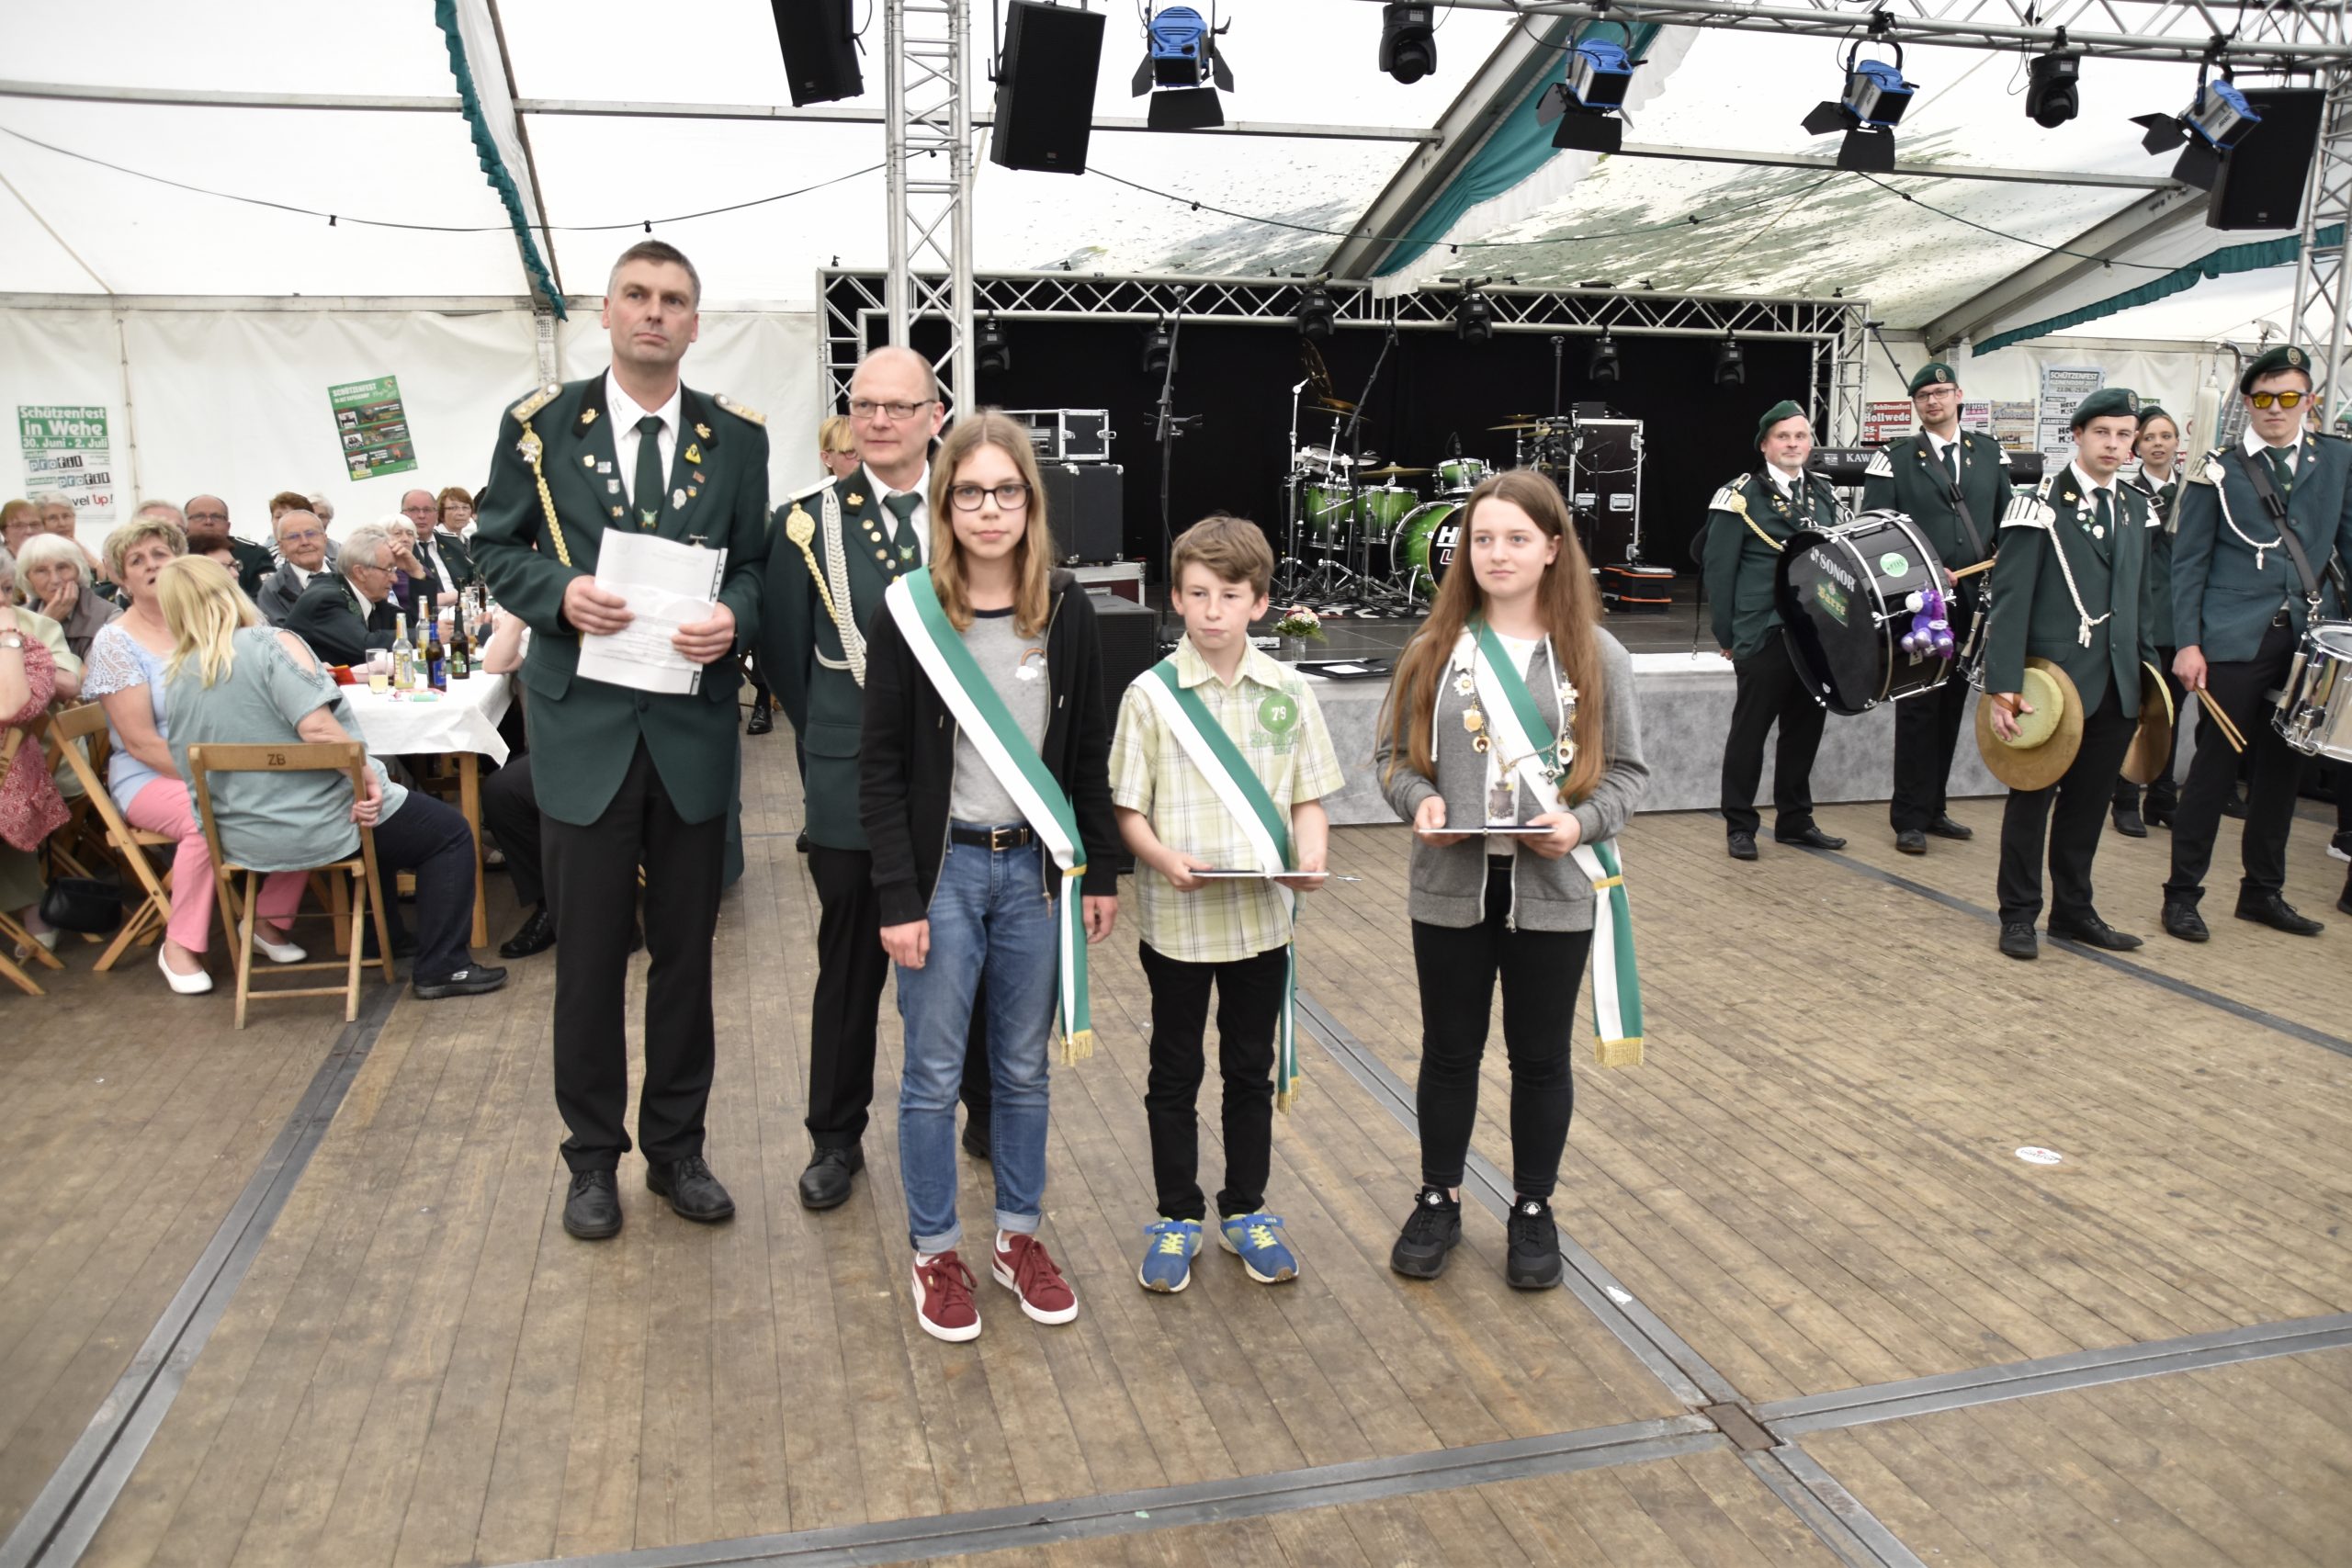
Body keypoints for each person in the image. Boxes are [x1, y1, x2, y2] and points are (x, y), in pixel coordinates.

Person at [473, 239, 767, 1242]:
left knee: (686, 960)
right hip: (585, 733)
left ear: (695, 323)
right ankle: (591, 1160)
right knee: (590, 961)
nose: (653, 312)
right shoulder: (540, 428)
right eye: (636, 295)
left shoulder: (736, 440)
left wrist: (734, 615)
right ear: (603, 312)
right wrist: (557, 594)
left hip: (689, 733)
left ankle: (677, 1152)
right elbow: (493, 545)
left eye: (673, 299)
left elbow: (756, 566)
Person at [859, 410, 1119, 1342]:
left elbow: (1086, 754)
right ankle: (936, 1251)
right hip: (944, 874)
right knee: (932, 1076)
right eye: (968, 492)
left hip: (1035, 879)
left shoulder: (1069, 610)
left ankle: (1017, 1238)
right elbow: (880, 768)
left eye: (1006, 490)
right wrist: (896, 895)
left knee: (1021, 1070)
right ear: (945, 505)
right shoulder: (908, 612)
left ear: (1030, 502)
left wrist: (1100, 870)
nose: (988, 508)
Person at [1374, 468, 1648, 1289]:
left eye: (1517, 538)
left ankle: (1533, 1207)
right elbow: (1393, 761)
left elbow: (1627, 774)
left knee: (1540, 1058)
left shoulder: (1597, 655)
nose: (1498, 553)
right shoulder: (1433, 649)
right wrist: (1420, 803)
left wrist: (1580, 825)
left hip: (1555, 890)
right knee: (1448, 1051)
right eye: (1483, 538)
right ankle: (1439, 1196)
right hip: (1451, 883)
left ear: (1553, 548)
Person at [759, 346, 996, 1212]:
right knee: (851, 964)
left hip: (969, 777)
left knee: (974, 952)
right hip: (851, 780)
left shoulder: (975, 509)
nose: (880, 420)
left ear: (937, 416)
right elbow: (786, 657)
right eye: (865, 404)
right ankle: (834, 1136)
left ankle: (986, 1109)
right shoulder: (804, 524)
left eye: (900, 406)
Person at [1111, 514, 1341, 1293]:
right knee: (1174, 1070)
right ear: (1174, 598)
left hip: (1262, 923)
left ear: (1261, 602)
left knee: (1249, 1069)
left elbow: (1308, 797)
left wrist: (1312, 855)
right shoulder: (1150, 696)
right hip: (1178, 922)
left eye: (1231, 595)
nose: (1213, 610)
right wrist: (1159, 857)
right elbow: (1127, 810)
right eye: (1199, 593)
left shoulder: (1290, 692)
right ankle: (1176, 1214)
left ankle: (1246, 1207)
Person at [155, 556, 504, 999]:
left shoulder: (178, 672)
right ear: (229, 591)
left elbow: (185, 762)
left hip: (241, 835)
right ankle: (444, 966)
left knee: (389, 824)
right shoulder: (270, 643)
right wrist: (368, 776)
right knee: (448, 832)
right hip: (317, 824)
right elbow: (318, 730)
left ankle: (383, 937)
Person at [2162, 344, 2352, 942]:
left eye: (2289, 396)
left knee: (2283, 770)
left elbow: (2348, 547)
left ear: (2309, 401)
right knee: (2214, 769)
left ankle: (2262, 891)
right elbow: (2188, 563)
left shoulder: (2336, 459)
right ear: (2246, 403)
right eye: (2264, 397)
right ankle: (2182, 894)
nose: (2276, 408)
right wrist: (2188, 644)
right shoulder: (2216, 469)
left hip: (2308, 639)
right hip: (2233, 638)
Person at [81, 518, 311, 993]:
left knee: (310, 791)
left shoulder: (210, 620)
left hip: (230, 763)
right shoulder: (115, 641)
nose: (151, 565)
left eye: (160, 554)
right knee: (204, 816)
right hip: (151, 774)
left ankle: (267, 920)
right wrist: (214, 777)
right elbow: (141, 743)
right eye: (137, 560)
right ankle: (180, 945)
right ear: (122, 579)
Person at [1981, 388, 2159, 962]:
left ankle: (2074, 912)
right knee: (2031, 803)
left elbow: (2142, 602)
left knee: (2087, 807)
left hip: (2116, 683)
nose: (2113, 444)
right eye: (2102, 432)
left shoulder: (2135, 508)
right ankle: (2018, 914)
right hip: (2052, 687)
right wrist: (2002, 686)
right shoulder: (2037, 505)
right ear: (2077, 435)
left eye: (2124, 435)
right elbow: (2011, 602)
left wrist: (2149, 681)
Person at [1860, 362, 2011, 853]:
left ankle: (1935, 807)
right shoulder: (1894, 459)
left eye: (1941, 392)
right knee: (1918, 707)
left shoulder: (1989, 453)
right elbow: (1875, 532)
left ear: (1958, 395)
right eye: (1923, 395)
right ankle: (1908, 816)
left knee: (1951, 706)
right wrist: (1922, 568)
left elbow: (2006, 524)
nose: (1933, 401)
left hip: (1973, 601)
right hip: (1920, 603)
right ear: (1915, 404)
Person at [1703, 400, 1844, 861]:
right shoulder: (1739, 496)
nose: (1793, 444)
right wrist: (1728, 637)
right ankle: (1740, 824)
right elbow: (1718, 571)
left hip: (1814, 632)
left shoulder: (1824, 494)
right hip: (1764, 629)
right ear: (1764, 445)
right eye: (1783, 436)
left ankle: (1795, 820)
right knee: (1750, 732)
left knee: (1804, 728)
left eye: (1800, 436)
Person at [2112, 405, 2185, 837]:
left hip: (2184, 621)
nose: (2158, 444)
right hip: (2143, 619)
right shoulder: (2128, 495)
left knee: (2172, 713)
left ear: (2178, 442)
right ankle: (2124, 798)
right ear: (2136, 447)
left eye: (2166, 436)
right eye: (2150, 437)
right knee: (2139, 710)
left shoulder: (2195, 492)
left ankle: (2162, 796)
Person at [0, 592, 69, 955]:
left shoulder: (29, 650)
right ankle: (32, 914)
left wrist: (8, 636)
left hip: (10, 786)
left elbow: (12, 708)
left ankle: (32, 913)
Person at [285, 521, 402, 665]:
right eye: (389, 570)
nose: (395, 579)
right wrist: (424, 635)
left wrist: (416, 572)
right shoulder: (326, 600)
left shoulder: (373, 598)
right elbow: (367, 647)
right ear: (360, 572)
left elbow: (412, 623)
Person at [16, 533, 119, 662]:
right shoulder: (16, 618)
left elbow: (96, 672)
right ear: (28, 578)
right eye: (41, 570)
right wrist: (47, 622)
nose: (55, 579)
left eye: (62, 567)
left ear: (78, 570)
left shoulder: (108, 616)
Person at [0, 546, 82, 702]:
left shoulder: (39, 624)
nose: (2, 599)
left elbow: (70, 686)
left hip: (36, 716)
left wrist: (12, 653)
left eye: (7, 589)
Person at [254, 507, 337, 624]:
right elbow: (282, 633)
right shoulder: (272, 591)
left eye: (311, 534)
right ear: (281, 547)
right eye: (293, 537)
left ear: (324, 539)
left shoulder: (349, 577)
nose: (305, 542)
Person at [183, 496, 274, 597]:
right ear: (185, 525)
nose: (208, 522)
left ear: (228, 526)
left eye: (216, 517)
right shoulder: (177, 553)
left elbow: (265, 598)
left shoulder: (254, 554)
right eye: (199, 516)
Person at [398, 489, 474, 605]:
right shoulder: (401, 551)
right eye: (413, 510)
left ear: (437, 514)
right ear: (402, 515)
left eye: (427, 510)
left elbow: (476, 579)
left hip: (465, 608)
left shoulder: (452, 543)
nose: (421, 516)